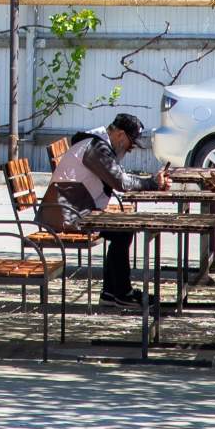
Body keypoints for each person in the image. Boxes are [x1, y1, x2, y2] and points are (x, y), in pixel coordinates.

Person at [38, 111, 163, 309]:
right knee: (122, 232)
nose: (130, 149)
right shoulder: (95, 147)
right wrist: (152, 183)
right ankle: (121, 294)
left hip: (73, 209)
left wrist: (151, 182)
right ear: (120, 135)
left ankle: (112, 294)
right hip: (67, 214)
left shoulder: (96, 144)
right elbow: (120, 182)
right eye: (131, 143)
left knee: (122, 231)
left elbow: (118, 177)